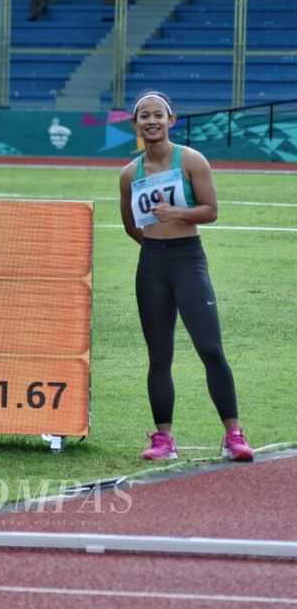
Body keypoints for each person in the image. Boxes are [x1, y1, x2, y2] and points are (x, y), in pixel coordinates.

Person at [117, 90, 254, 463]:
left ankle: (234, 435)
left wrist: (176, 214)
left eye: (158, 115)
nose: (151, 121)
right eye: (144, 116)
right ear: (135, 124)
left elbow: (211, 211)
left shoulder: (192, 160)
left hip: (188, 261)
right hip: (152, 266)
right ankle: (164, 439)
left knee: (210, 348)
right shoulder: (129, 173)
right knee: (159, 355)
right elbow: (131, 225)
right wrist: (155, 245)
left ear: (171, 120)